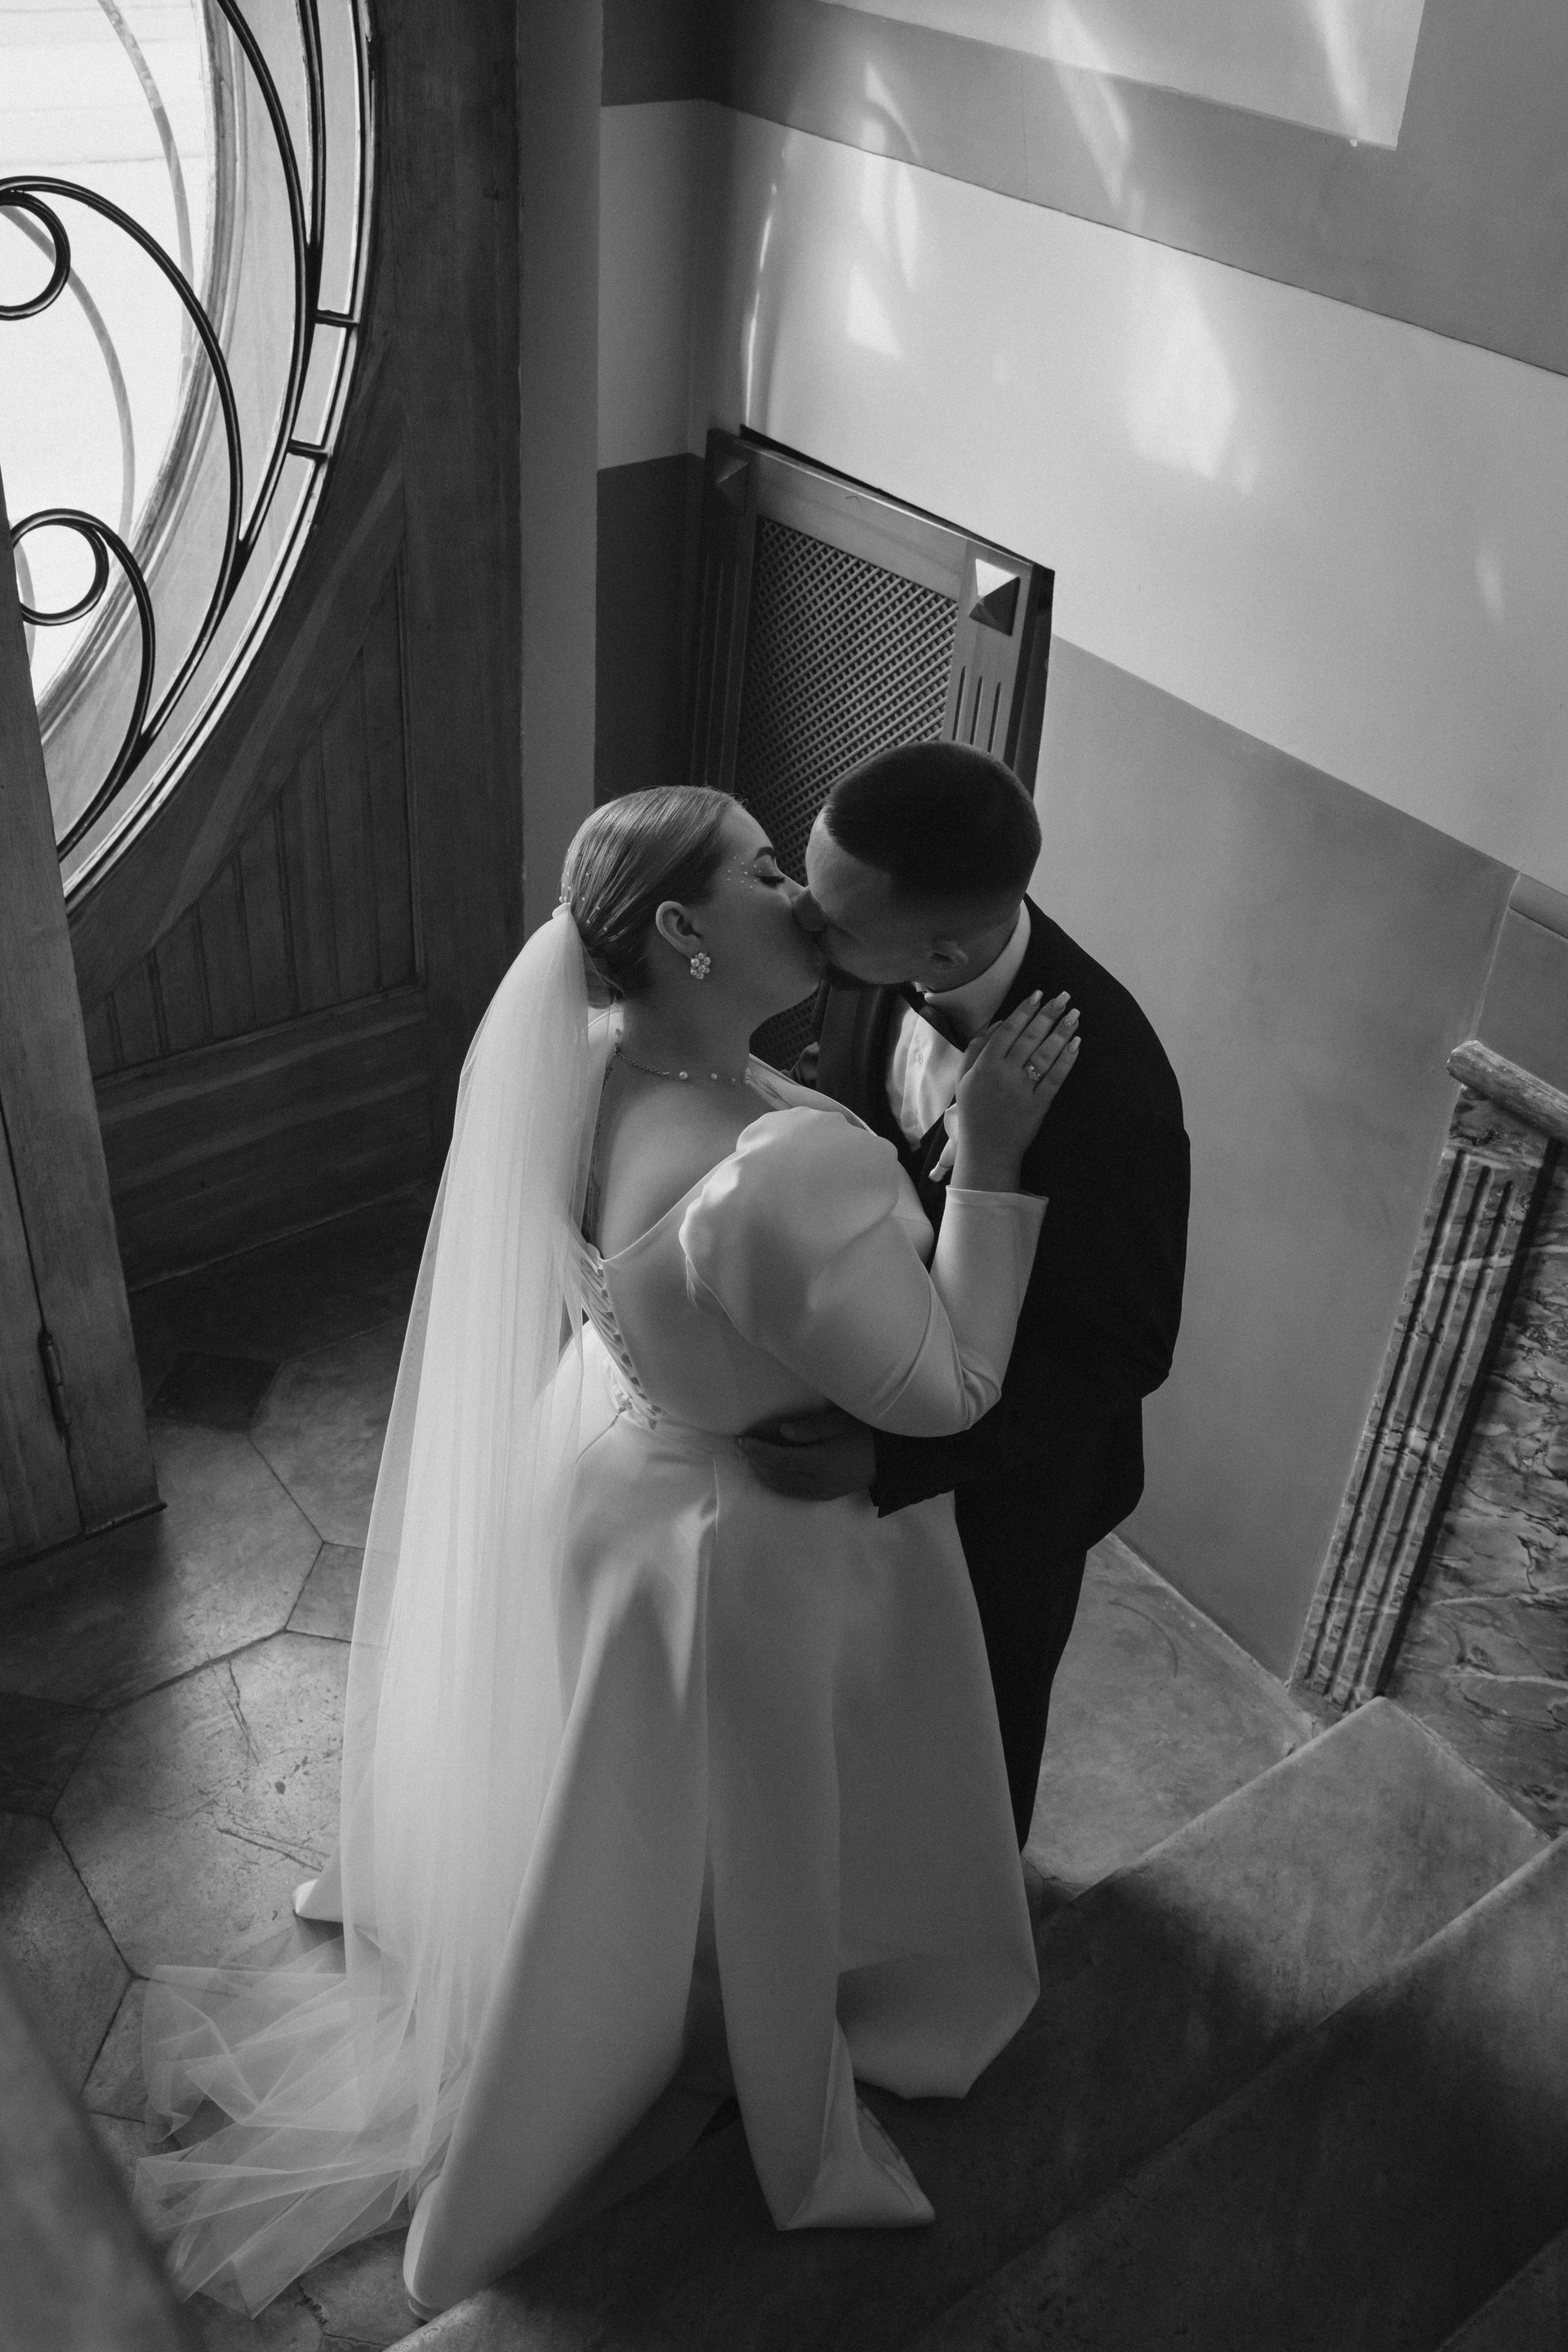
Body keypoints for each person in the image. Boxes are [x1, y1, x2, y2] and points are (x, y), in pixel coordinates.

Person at [135, 786, 1080, 2319]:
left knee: (635, 1789)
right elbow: (955, 1385)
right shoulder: (778, 1177)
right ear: (687, 931)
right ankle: (734, 2012)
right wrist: (991, 1158)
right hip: (738, 1545)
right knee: (757, 1809)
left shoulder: (584, 1061)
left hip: (610, 1474)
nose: (802, 897)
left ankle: (646, 1959)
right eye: (768, 869)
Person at [742, 743, 1190, 1846]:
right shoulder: (873, 957)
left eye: (832, 920)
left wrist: (893, 1461)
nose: (800, 919)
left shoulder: (1116, 1089)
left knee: (982, 1729)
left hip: (1012, 1493)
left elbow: (1122, 1351)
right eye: (805, 878)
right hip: (875, 1383)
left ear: (943, 950)